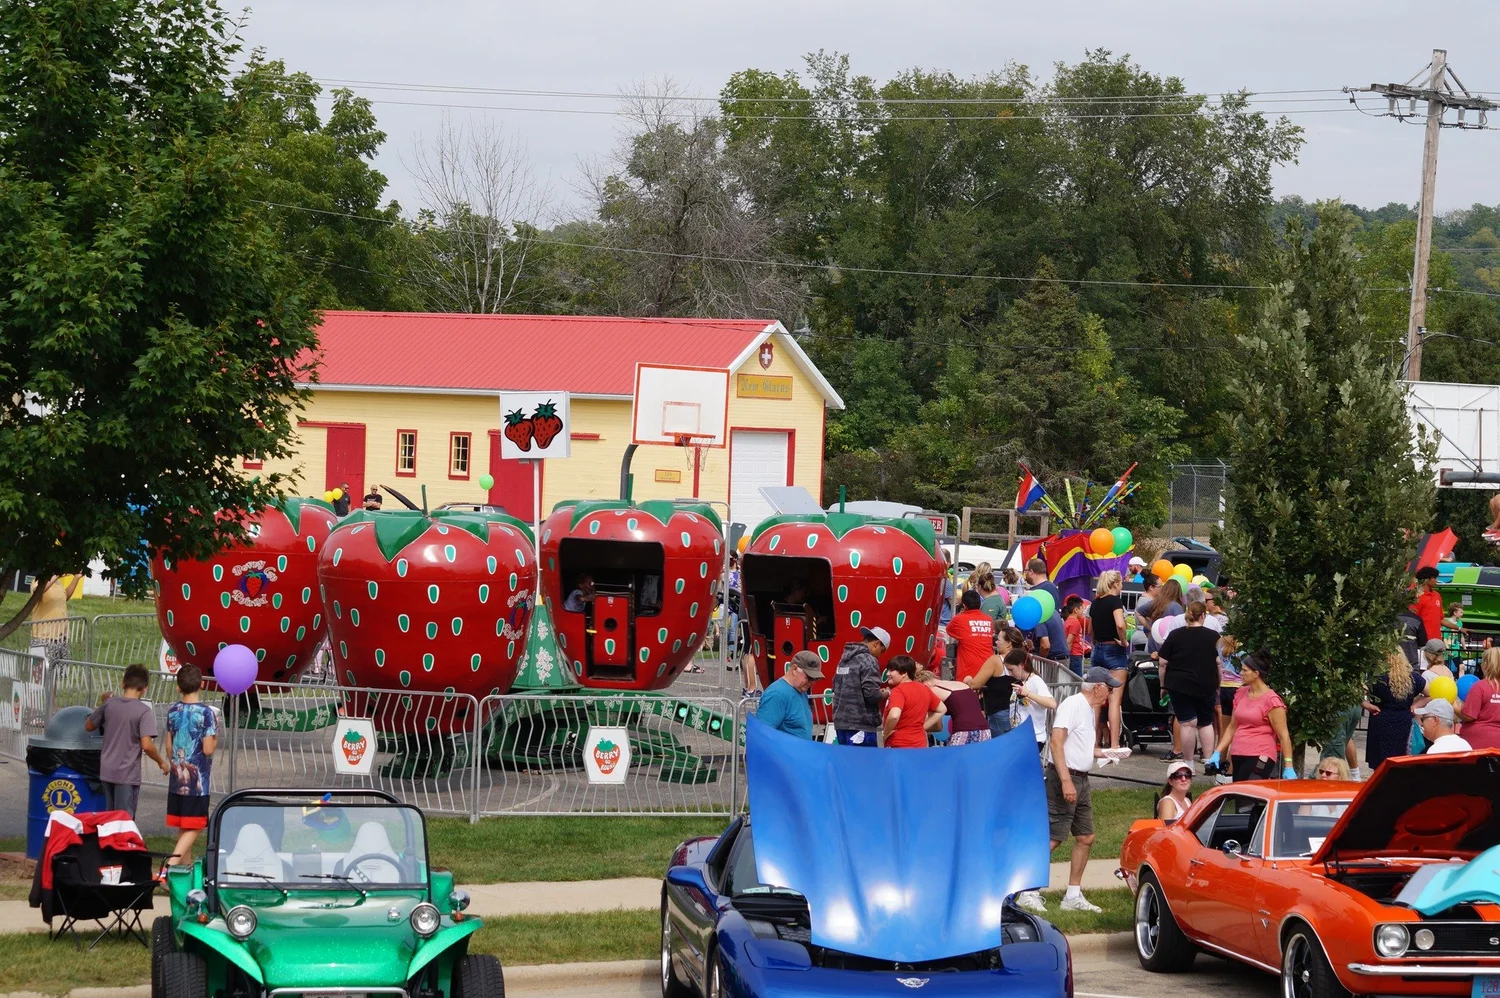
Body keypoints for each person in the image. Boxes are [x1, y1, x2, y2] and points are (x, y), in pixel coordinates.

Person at [1018, 667, 1121, 914]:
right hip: (1066, 778)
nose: (1109, 693)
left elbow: (1083, 748)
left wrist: (1109, 753)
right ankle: (1027, 892)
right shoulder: (1072, 705)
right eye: (1108, 687)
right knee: (1053, 837)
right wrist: (1065, 781)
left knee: (1086, 837)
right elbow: (1056, 742)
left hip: (1081, 779)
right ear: (1097, 687)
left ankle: (1072, 895)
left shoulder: (1087, 709)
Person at [84, 664, 167, 817]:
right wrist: (161, 762)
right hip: (127, 773)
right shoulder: (143, 711)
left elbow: (89, 725)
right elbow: (147, 745)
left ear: (123, 683)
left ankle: (109, 841)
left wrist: (104, 703)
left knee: (109, 817)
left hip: (107, 770)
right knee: (124, 820)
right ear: (145, 689)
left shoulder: (109, 704)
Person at [1206, 652, 1296, 782]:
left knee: (1247, 798)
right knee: (1241, 795)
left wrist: (1289, 766)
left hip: (1261, 754)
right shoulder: (1240, 693)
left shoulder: (1272, 700)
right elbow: (1232, 727)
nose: (1241, 673)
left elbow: (1284, 736)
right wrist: (1217, 752)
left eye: (1245, 670)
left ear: (1256, 673)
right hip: (1238, 752)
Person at [163, 665, 218, 866]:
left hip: (176, 777)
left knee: (184, 827)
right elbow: (208, 749)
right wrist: (216, 737)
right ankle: (171, 865)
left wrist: (173, 761)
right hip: (198, 782)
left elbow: (169, 747)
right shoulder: (206, 713)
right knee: (197, 824)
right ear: (201, 685)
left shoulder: (173, 711)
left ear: (178, 687)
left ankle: (181, 877)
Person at [1158, 601, 1222, 771]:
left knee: (1187, 723)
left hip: (1179, 684)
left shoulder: (1175, 635)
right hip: (1206, 683)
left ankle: (1189, 764)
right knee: (1205, 723)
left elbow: (1163, 663)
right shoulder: (1214, 637)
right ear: (1203, 616)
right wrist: (1218, 685)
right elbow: (1219, 664)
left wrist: (1163, 686)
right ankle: (1208, 762)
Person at [1364, 650, 1425, 772]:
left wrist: (1366, 705)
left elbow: (1357, 693)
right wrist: (1415, 705)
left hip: (1381, 720)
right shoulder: (1412, 678)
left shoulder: (1377, 679)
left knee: (1380, 765)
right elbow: (1430, 693)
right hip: (1404, 721)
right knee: (1401, 761)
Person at [1089, 570, 1129, 749]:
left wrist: (1094, 644)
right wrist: (1123, 641)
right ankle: (1114, 744)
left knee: (1096, 699)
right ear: (1115, 584)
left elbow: (1091, 630)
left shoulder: (1095, 603)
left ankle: (1093, 742)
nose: (1122, 586)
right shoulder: (1115, 601)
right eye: (1121, 583)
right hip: (1114, 650)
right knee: (1114, 699)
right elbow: (1120, 623)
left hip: (1098, 648)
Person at [832, 626, 889, 747]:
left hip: (841, 723)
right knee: (864, 764)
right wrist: (886, 693)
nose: (880, 655)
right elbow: (872, 695)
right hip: (861, 725)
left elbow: (836, 686)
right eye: (882, 650)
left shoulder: (844, 659)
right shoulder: (869, 660)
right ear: (877, 644)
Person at [964, 626, 1026, 736]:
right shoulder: (1025, 658)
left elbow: (975, 684)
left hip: (999, 713)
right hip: (1020, 712)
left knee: (1000, 748)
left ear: (1009, 643)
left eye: (999, 639)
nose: (996, 642)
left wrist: (967, 679)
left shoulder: (996, 660)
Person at [882, 655, 943, 748]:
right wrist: (922, 728)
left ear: (904, 673)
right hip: (920, 743)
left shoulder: (898, 691)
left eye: (891, 670)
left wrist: (885, 733)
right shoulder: (924, 688)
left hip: (899, 744)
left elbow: (894, 715)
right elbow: (942, 709)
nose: (887, 674)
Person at [757, 651, 821, 739]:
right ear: (794, 669)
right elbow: (762, 735)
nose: (812, 682)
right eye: (809, 677)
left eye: (815, 679)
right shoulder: (776, 694)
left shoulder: (801, 691)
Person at [919, 669, 990, 745]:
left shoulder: (933, 691)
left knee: (955, 756)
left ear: (925, 685)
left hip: (964, 732)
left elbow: (938, 726)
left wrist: (915, 728)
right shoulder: (959, 684)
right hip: (984, 730)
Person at [1007, 650, 1056, 753]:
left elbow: (1052, 703)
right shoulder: (1023, 682)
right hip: (1022, 736)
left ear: (1021, 666)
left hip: (1034, 737)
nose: (1009, 673)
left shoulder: (1036, 681)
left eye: (1011, 670)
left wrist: (1028, 693)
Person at [30, 573, 82, 664]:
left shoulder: (58, 582)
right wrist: (56, 575)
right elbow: (37, 591)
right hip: (43, 637)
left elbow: (65, 597)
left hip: (61, 637)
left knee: (58, 673)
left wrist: (76, 578)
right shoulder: (39, 580)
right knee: (40, 674)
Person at [949, 589, 997, 683]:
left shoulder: (959, 619)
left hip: (968, 669)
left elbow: (950, 630)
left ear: (964, 605)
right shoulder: (989, 619)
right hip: (988, 666)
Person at [1025, 559, 1068, 662]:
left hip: (1052, 651)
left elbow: (1046, 643)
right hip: (1049, 647)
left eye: (1026, 571)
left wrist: (1040, 658)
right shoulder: (1041, 590)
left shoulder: (1047, 590)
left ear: (1031, 571)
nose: (1024, 574)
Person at [1457, 646, 1500, 749]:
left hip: (1477, 743)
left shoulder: (1480, 686)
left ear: (1485, 665)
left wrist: (1453, 705)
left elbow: (1469, 716)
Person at [1409, 566, 1444, 647]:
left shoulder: (1437, 595)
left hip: (1436, 641)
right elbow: (1411, 620)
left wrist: (1459, 628)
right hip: (1422, 642)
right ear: (1426, 579)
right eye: (1434, 578)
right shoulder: (1416, 596)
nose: (1437, 580)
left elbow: (1441, 619)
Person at [1062, 596, 1090, 673]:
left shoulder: (1068, 620)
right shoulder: (1075, 622)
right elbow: (1069, 641)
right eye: (1082, 608)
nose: (1083, 611)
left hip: (1073, 655)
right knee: (1077, 680)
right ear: (1076, 610)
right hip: (1075, 655)